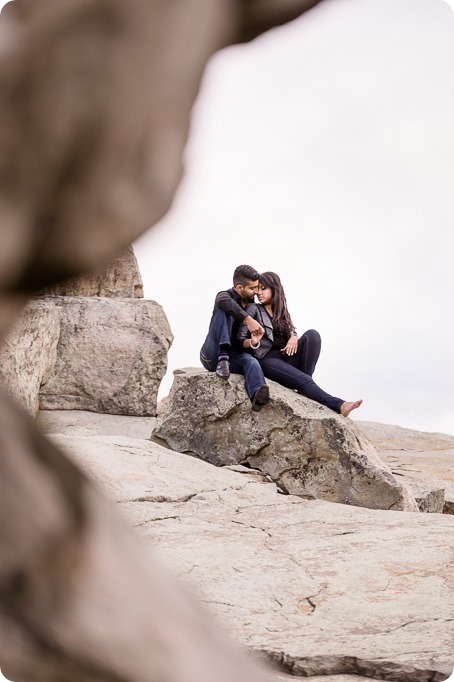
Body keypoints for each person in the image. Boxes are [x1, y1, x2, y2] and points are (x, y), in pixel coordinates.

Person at [237, 271, 362, 417]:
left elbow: (291, 330)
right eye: (257, 289)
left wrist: (294, 337)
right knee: (305, 380)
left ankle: (304, 387)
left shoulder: (281, 311)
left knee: (312, 335)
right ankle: (339, 405)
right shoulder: (254, 309)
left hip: (286, 357)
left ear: (274, 289)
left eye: (263, 288)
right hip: (268, 359)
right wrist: (253, 342)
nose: (259, 293)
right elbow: (240, 339)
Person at [200, 265, 270, 411]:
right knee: (224, 309)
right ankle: (223, 356)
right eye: (253, 288)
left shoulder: (252, 306)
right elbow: (224, 301)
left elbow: (241, 340)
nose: (256, 291)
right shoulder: (224, 296)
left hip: (234, 355)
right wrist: (247, 320)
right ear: (239, 287)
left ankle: (257, 396)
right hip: (212, 355)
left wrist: (252, 341)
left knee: (252, 362)